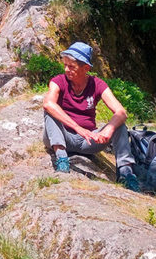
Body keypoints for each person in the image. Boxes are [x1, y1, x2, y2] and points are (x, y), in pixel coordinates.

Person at [43, 41, 139, 191]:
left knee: (119, 125)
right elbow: (48, 104)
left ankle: (126, 173)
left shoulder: (98, 84)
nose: (66, 70)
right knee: (50, 111)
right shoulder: (58, 81)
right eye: (65, 65)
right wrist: (78, 128)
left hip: (87, 141)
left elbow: (121, 112)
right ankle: (61, 159)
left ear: (86, 68)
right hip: (63, 136)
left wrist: (107, 131)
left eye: (72, 66)